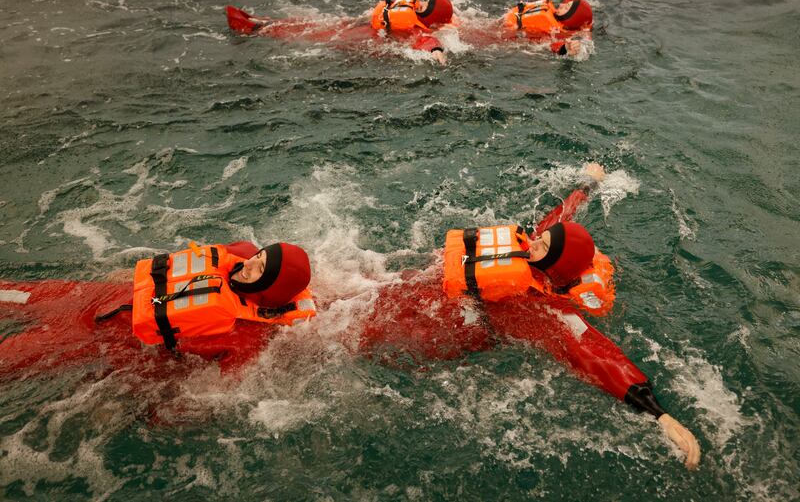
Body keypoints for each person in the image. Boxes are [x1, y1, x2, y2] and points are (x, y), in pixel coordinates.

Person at [361, 163, 701, 470]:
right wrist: (588, 184)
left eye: (541, 246)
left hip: (444, 327)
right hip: (426, 288)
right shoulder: (537, 250)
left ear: (554, 266)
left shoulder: (543, 312)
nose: (532, 242)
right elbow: (560, 218)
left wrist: (659, 414)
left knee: (361, 337)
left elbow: (596, 355)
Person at [0, 240, 314, 378]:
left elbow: (211, 396)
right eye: (258, 257)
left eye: (259, 270)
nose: (247, 265)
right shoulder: (238, 254)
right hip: (95, 297)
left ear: (270, 290)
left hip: (96, 340)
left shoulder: (246, 338)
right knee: (9, 293)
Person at [226, 0, 458, 65]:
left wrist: (437, 52)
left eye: (425, 6)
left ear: (429, 16)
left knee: (317, 33)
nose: (422, 3)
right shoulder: (427, 14)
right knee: (314, 28)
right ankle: (264, 24)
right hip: (365, 26)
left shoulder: (414, 28)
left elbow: (426, 41)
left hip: (365, 35)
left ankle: (256, 28)